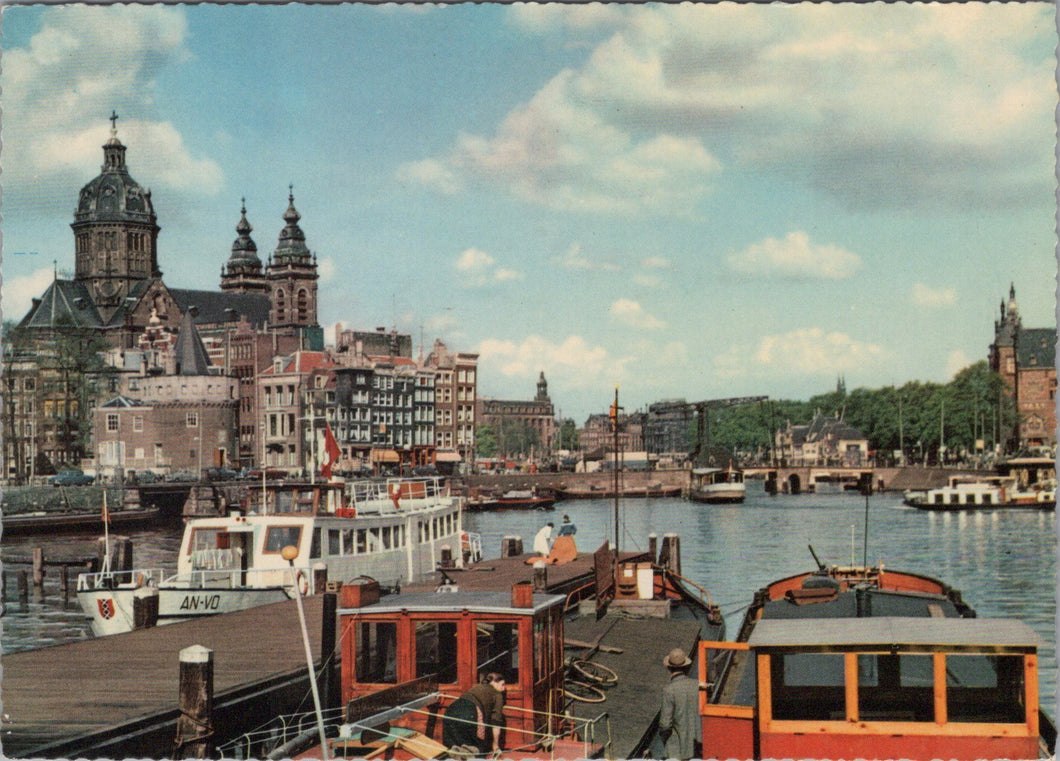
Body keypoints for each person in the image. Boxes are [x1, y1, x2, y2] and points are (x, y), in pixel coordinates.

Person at [442, 672, 507, 755]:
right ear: (494, 683)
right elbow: (496, 721)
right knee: (474, 748)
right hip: (470, 712)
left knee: (453, 745)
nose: (504, 689)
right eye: (502, 684)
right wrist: (495, 745)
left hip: (451, 709)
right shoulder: (497, 694)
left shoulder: (477, 687)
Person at [658, 648, 702, 761]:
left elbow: (665, 724)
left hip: (677, 749)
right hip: (698, 745)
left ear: (669, 668)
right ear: (686, 667)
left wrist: (664, 738)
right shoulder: (697, 686)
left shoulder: (669, 690)